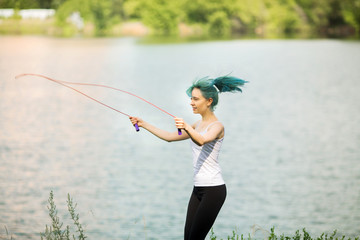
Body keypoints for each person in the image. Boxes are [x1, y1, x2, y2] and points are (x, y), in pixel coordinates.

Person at [129, 75, 247, 240]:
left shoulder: (217, 127)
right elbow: (170, 137)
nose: (191, 102)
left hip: (214, 190)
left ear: (209, 101)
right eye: (191, 98)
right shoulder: (197, 125)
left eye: (196, 99)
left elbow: (201, 140)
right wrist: (144, 124)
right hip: (198, 189)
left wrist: (186, 127)